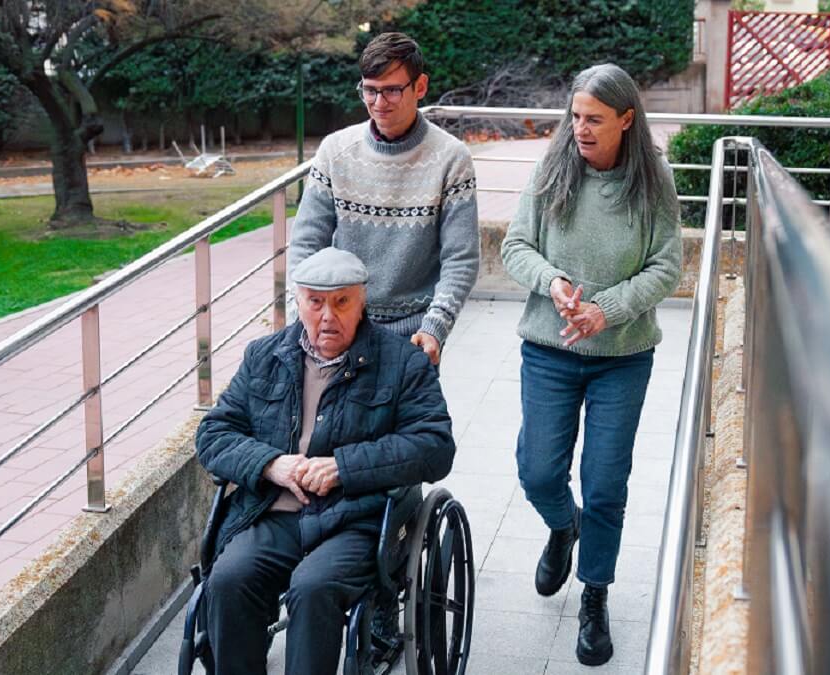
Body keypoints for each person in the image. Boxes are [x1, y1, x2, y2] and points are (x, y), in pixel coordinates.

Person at [195, 247, 455, 675]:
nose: (327, 316)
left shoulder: (402, 363)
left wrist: (343, 467)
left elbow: (435, 446)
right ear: (298, 302)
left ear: (362, 303)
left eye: (341, 302)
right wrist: (270, 464)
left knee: (313, 587)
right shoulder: (264, 356)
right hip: (273, 513)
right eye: (315, 302)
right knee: (228, 579)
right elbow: (213, 433)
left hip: (355, 518)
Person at [499, 63, 682, 667]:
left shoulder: (654, 182)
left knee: (605, 485)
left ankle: (594, 593)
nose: (580, 128)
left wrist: (608, 310)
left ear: (626, 120)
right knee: (537, 472)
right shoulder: (553, 169)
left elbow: (666, 266)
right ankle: (563, 527)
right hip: (548, 350)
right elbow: (515, 245)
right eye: (576, 116)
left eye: (594, 119)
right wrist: (552, 282)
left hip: (621, 358)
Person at [286, 32, 480, 366]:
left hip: (415, 336)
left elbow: (460, 258)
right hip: (340, 329)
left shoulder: (452, 158)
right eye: (369, 90)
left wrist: (435, 327)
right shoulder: (335, 151)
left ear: (420, 87)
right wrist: (302, 315)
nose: (378, 103)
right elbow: (306, 245)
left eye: (391, 90)